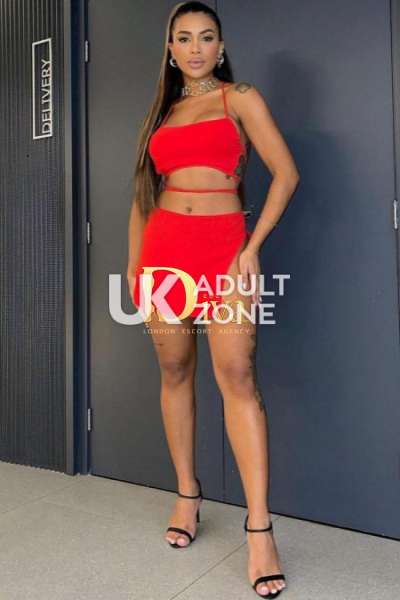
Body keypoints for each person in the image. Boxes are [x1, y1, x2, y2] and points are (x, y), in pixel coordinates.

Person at [127, 2, 299, 598]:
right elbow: (142, 195)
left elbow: (286, 174)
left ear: (220, 47)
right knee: (175, 370)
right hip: (164, 252)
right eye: (184, 38)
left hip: (224, 251)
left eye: (206, 37)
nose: (195, 47)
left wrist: (252, 248)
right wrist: (135, 267)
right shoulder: (163, 112)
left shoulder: (239, 97)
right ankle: (187, 495)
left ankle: (260, 529)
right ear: (170, 49)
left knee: (238, 376)